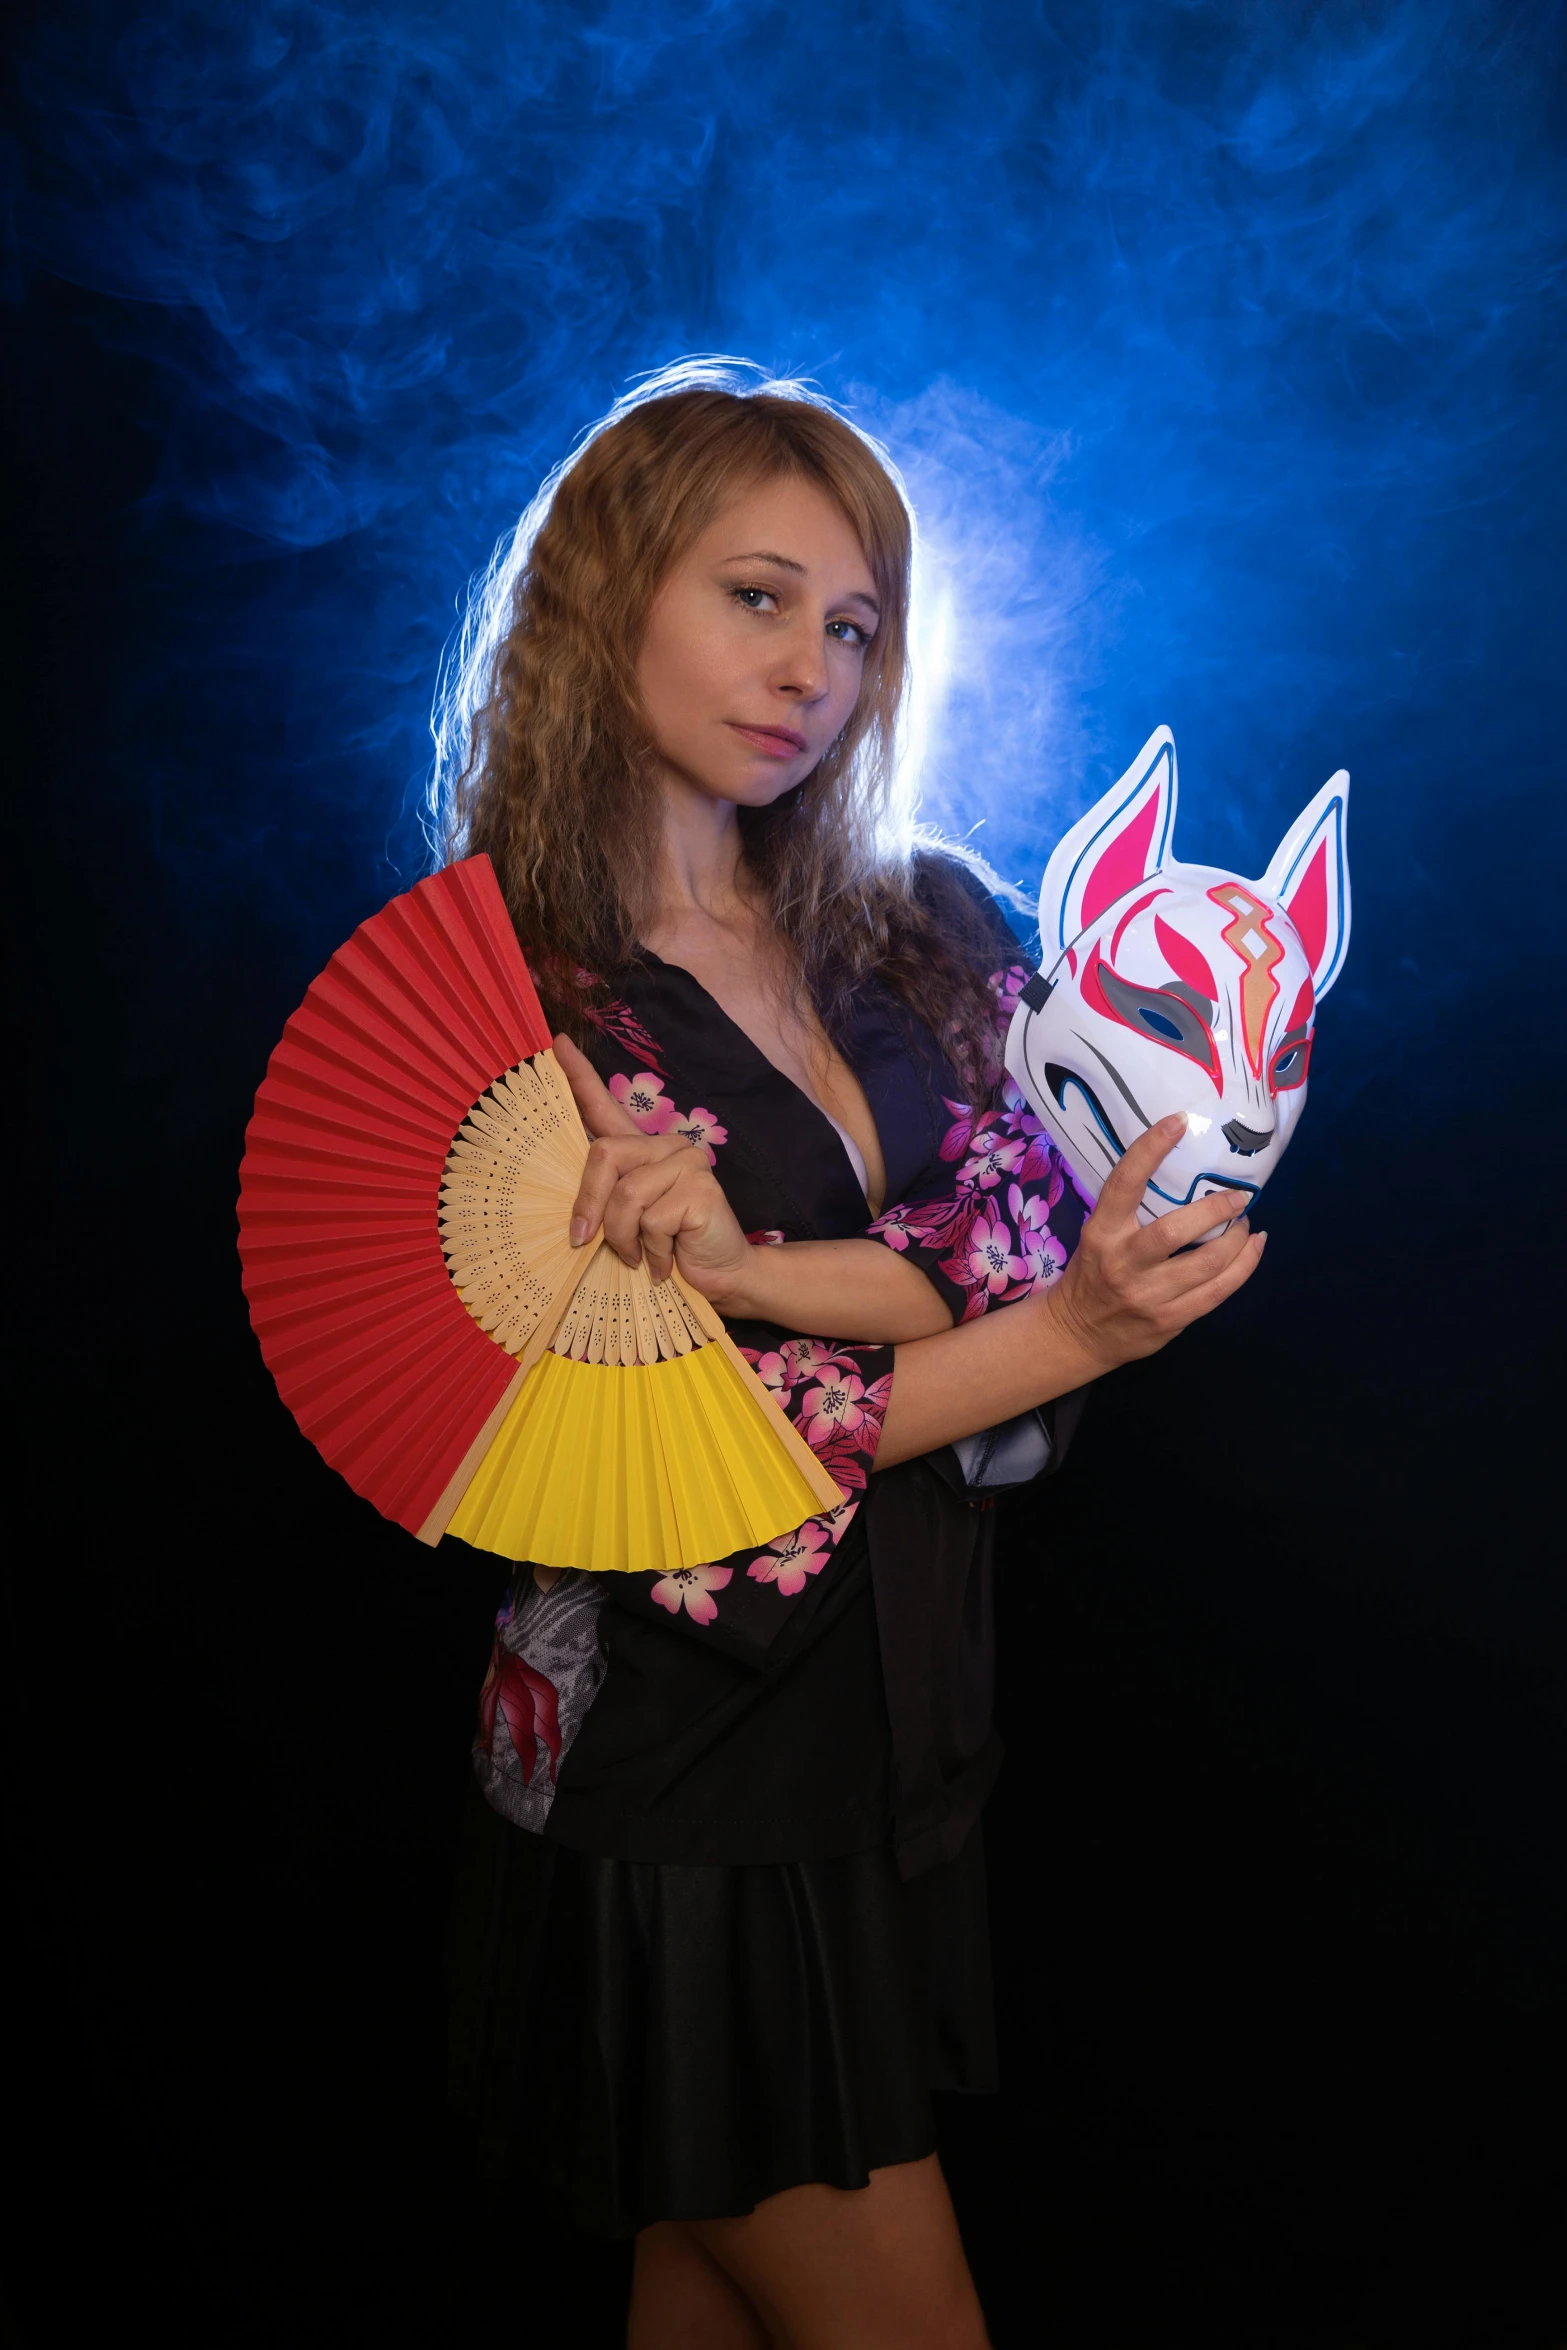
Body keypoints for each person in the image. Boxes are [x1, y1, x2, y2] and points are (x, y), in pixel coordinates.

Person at [439, 362, 1263, 2349]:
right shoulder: (508, 1007)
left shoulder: (915, 927)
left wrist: (757, 1258)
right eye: (756, 594)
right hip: (684, 1777)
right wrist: (1047, 1324)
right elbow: (720, 1443)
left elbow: (998, 1222)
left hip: (896, 1737)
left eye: (855, 621)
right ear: (606, 592)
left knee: (699, 2295)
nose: (813, 662)